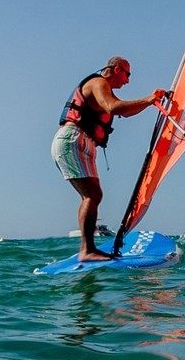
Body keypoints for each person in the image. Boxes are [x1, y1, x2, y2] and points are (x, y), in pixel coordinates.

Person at [51, 58, 167, 261]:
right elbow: (113, 107)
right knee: (92, 195)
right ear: (115, 69)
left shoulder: (104, 88)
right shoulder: (98, 83)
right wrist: (149, 99)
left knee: (93, 196)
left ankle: (88, 250)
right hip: (73, 139)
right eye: (127, 74)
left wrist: (151, 102)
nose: (128, 81)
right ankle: (87, 251)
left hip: (82, 142)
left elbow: (126, 111)